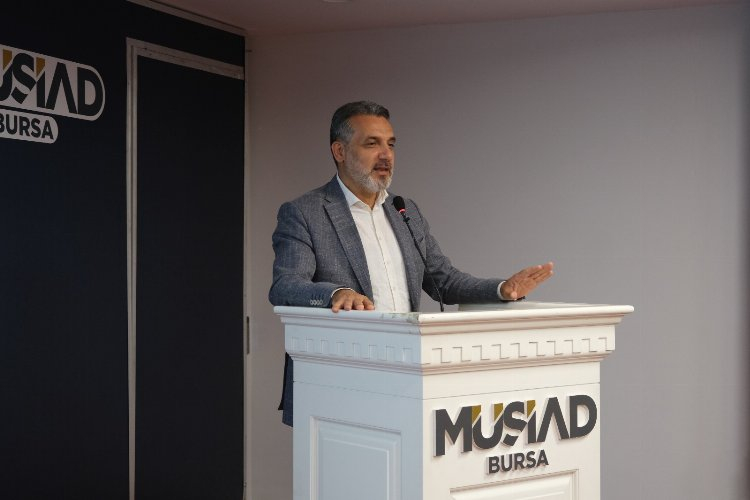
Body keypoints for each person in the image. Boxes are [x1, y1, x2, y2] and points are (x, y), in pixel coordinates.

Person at [270, 101, 553, 425]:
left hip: (405, 375)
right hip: (338, 382)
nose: (386, 155)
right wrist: (335, 294)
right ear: (340, 151)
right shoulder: (305, 212)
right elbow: (286, 286)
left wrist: (502, 289)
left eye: (391, 144)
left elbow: (444, 281)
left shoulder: (404, 210)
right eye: (372, 143)